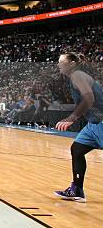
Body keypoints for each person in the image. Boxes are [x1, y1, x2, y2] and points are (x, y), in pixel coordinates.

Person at [54, 52, 103, 202]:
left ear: (72, 64)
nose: (58, 64)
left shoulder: (77, 75)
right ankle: (77, 189)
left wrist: (71, 118)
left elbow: (89, 98)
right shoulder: (76, 77)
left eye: (61, 61)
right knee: (77, 149)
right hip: (93, 124)